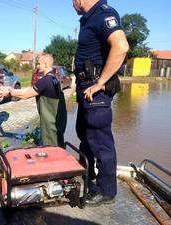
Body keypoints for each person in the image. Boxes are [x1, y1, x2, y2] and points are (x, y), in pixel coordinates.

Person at [72, 0, 129, 206]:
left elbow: (121, 46)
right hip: (85, 88)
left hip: (95, 90)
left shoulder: (103, 13)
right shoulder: (89, 18)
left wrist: (101, 82)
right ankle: (88, 177)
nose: (72, 4)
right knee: (84, 135)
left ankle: (106, 192)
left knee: (101, 142)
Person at [1, 53, 67, 147]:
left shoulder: (45, 80)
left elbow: (25, 95)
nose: (37, 66)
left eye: (39, 63)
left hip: (50, 125)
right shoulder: (55, 78)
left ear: (45, 64)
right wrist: (12, 90)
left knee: (51, 151)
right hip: (58, 122)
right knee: (59, 147)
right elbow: (29, 90)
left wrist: (9, 92)